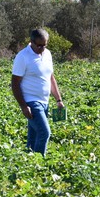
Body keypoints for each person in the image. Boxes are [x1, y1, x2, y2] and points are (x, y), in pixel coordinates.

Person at [11, 28, 65, 156]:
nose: (42, 48)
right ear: (31, 42)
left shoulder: (48, 54)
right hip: (31, 102)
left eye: (44, 45)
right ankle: (39, 165)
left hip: (44, 101)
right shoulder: (23, 56)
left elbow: (51, 78)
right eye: (39, 45)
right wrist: (24, 106)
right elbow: (15, 83)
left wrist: (58, 99)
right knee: (44, 132)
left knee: (33, 137)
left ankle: (27, 163)